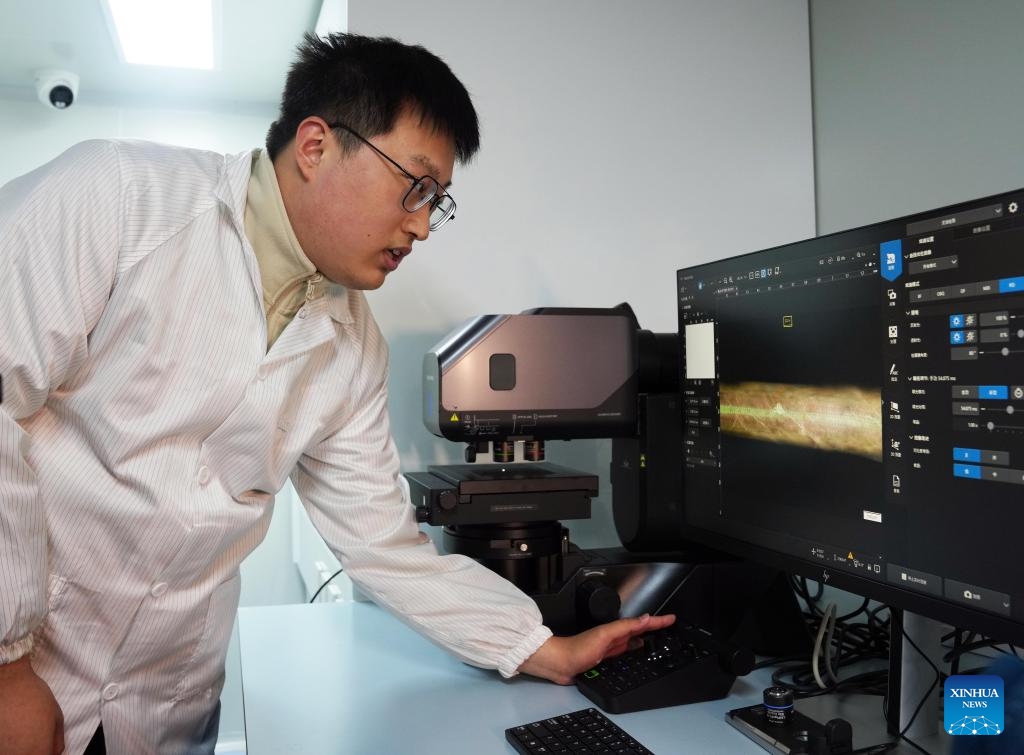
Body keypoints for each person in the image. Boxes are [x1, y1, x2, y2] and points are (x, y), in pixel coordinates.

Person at [0, 32, 674, 755]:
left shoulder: (353, 344)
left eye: (437, 202)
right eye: (414, 187)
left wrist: (542, 648)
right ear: (316, 146)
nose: (420, 225)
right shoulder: (117, 198)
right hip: (32, 681)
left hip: (164, 708)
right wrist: (7, 666)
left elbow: (384, 546)